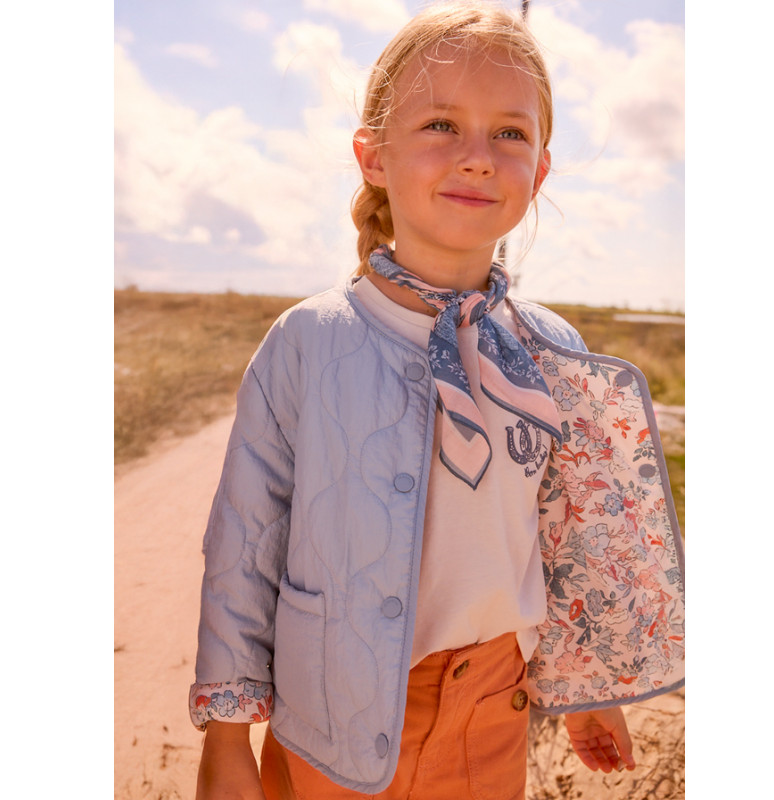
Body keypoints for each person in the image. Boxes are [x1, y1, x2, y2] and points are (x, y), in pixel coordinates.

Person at [190, 2, 685, 798]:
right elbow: (244, 547)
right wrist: (225, 737)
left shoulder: (552, 351)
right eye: (441, 125)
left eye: (509, 133)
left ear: (540, 172)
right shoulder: (308, 341)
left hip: (492, 705)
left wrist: (588, 688)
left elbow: (568, 540)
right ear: (373, 156)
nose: (478, 158)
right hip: (328, 708)